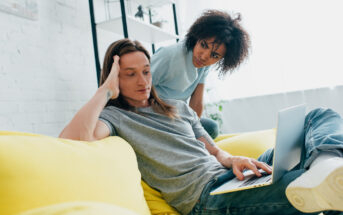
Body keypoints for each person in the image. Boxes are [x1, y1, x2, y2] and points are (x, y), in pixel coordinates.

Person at [60, 39, 343, 215]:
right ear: (114, 78)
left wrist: (233, 159)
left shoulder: (177, 107)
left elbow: (216, 152)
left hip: (230, 176)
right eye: (129, 74)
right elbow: (74, 139)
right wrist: (105, 91)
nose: (142, 81)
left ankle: (325, 163)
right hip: (206, 199)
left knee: (318, 115)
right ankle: (321, 174)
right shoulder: (116, 117)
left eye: (146, 71)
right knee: (324, 192)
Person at [150, 10, 250, 139]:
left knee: (211, 128)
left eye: (214, 56)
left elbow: (196, 103)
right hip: (155, 116)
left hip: (177, 117)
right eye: (203, 45)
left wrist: (193, 130)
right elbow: (136, 89)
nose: (204, 57)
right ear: (197, 36)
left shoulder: (204, 65)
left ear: (223, 59)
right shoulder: (170, 55)